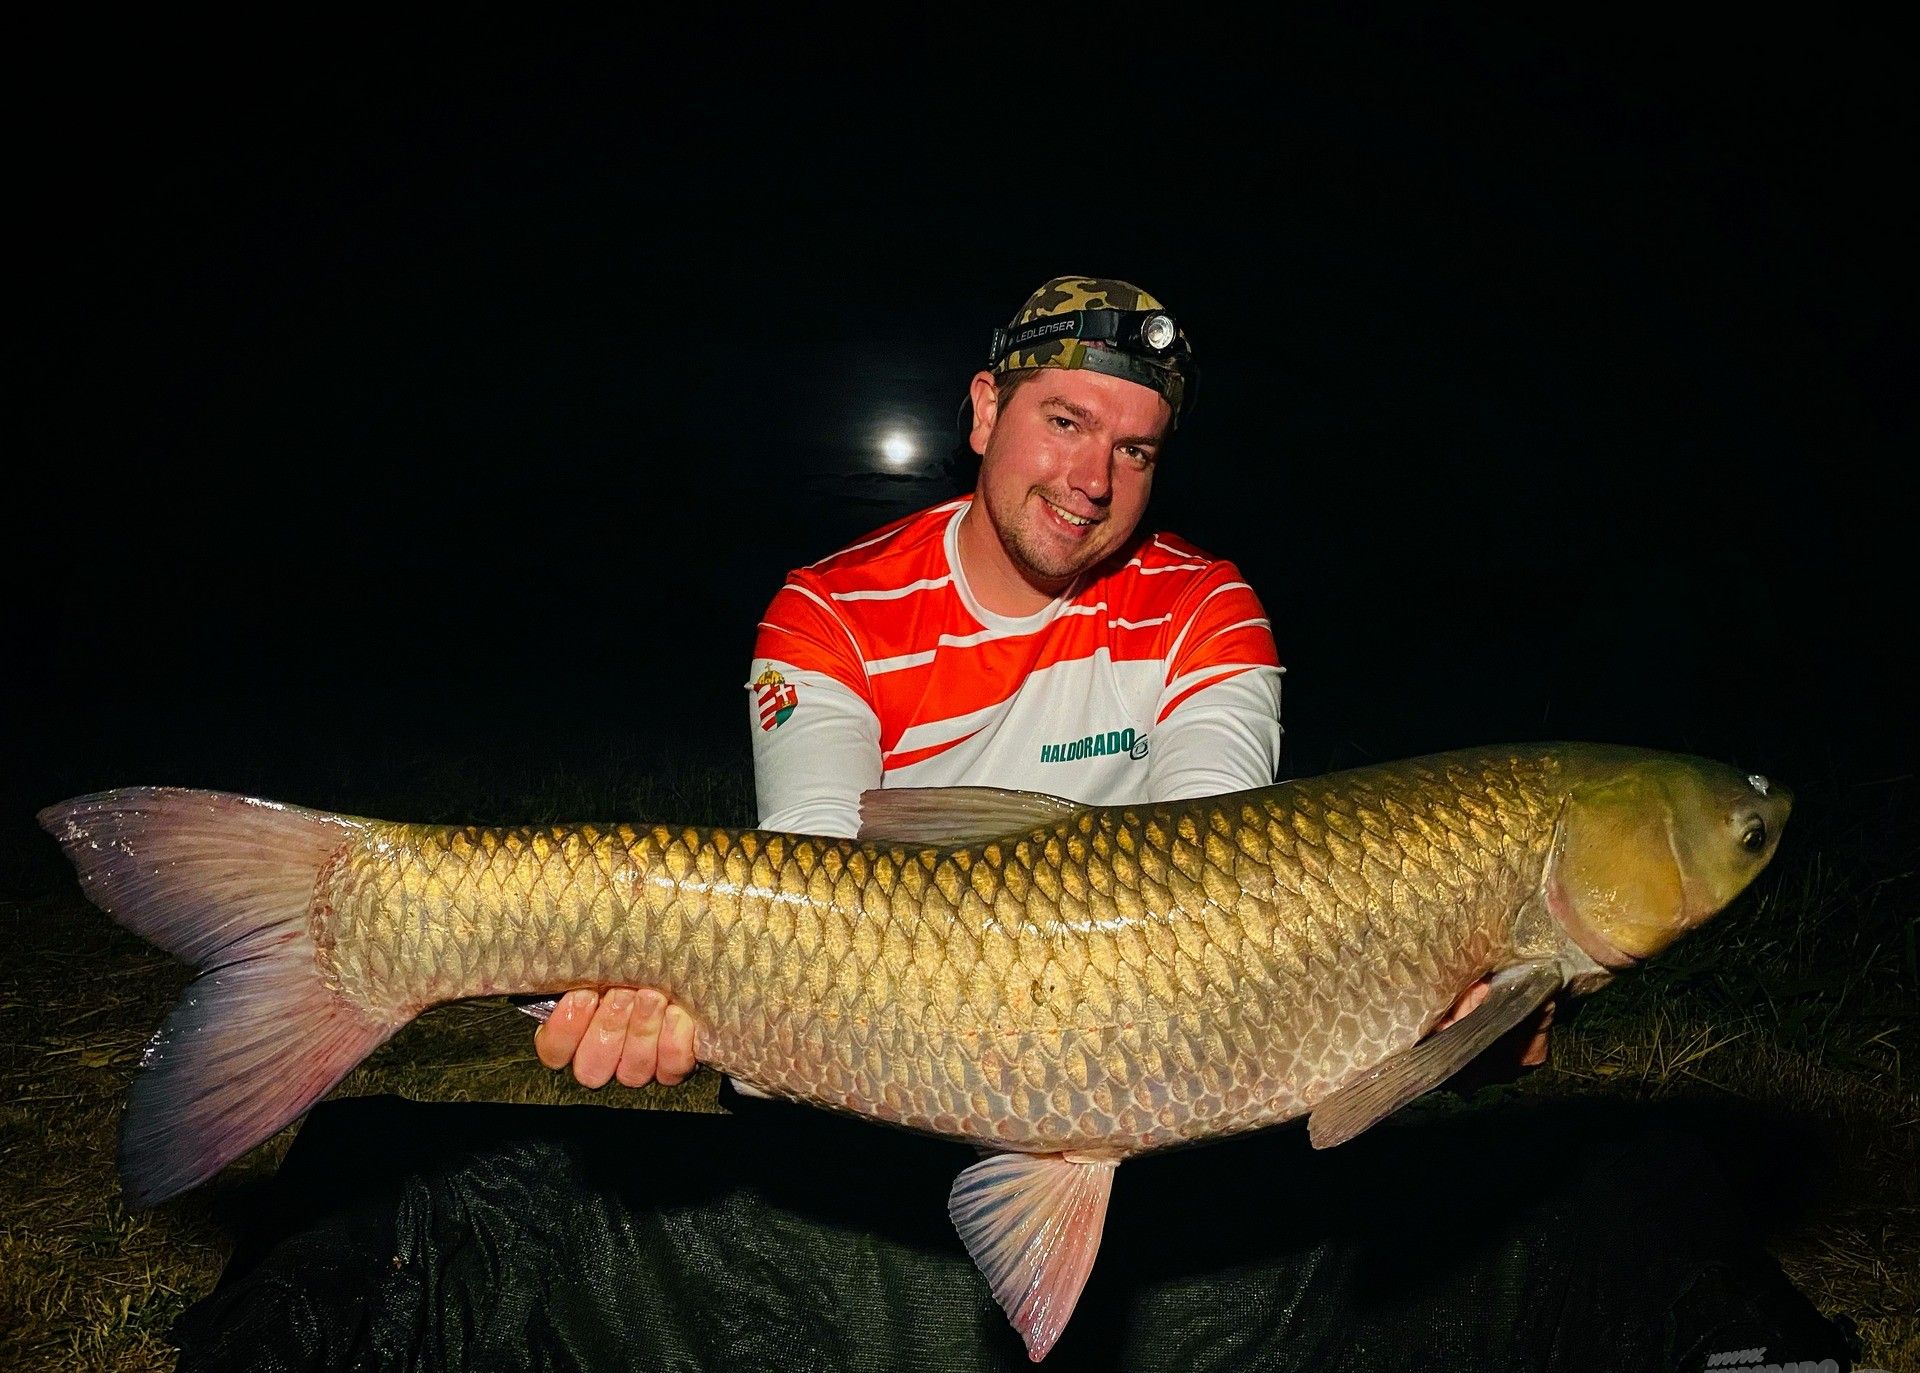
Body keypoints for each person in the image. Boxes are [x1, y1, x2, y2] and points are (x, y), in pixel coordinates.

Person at [533, 275, 1553, 1089]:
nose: (1093, 480)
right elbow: (816, 901)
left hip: (1133, 1042)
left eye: (1134, 448)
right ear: (985, 410)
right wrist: (672, 990)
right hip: (878, 1048)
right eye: (1064, 422)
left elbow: (1226, 900)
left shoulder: (1204, 607)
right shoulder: (831, 611)